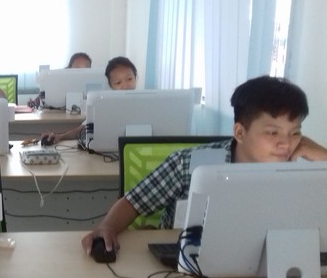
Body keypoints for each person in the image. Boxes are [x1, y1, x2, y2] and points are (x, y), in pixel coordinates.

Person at [82, 75, 327, 257]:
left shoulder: (303, 170)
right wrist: (107, 227)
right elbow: (134, 202)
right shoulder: (190, 164)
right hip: (185, 266)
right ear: (240, 132)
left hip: (267, 268)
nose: (286, 143)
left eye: (295, 133)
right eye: (273, 132)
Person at [40, 56, 138, 144]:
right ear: (110, 85)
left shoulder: (144, 103)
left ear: (135, 77)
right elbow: (84, 128)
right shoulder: (103, 105)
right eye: (118, 82)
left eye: (129, 79)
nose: (125, 86)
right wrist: (60, 137)